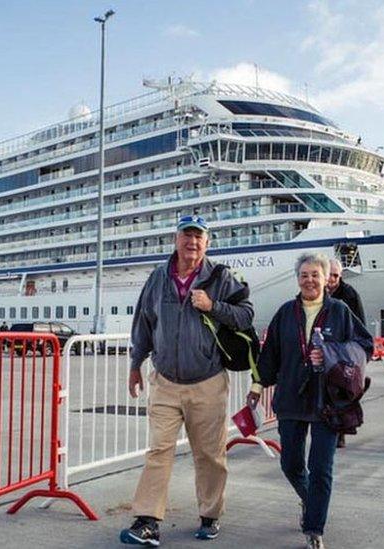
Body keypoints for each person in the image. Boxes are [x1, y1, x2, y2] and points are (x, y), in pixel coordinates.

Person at [120, 215, 254, 546]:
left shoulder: (222, 277)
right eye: (186, 236)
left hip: (207, 381)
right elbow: (144, 323)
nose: (192, 242)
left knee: (209, 454)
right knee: (158, 450)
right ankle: (147, 520)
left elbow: (247, 315)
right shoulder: (157, 278)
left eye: (198, 237)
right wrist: (136, 364)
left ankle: (210, 515)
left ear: (207, 243)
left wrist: (214, 306)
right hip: (164, 380)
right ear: (176, 240)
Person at [247, 253, 372, 549]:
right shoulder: (285, 313)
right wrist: (256, 385)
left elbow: (364, 345)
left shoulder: (340, 311)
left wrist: (330, 353)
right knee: (290, 463)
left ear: (326, 278)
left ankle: (314, 528)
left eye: (315, 274)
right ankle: (310, 500)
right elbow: (270, 354)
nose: (310, 280)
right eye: (304, 274)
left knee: (321, 467)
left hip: (327, 401)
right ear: (298, 278)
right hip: (291, 396)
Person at [326, 258, 366, 448]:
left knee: (342, 393)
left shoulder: (349, 294)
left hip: (343, 353)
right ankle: (329, 428)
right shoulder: (316, 291)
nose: (332, 279)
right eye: (330, 274)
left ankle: (341, 432)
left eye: (336, 275)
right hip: (324, 352)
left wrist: (358, 354)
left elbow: (360, 325)